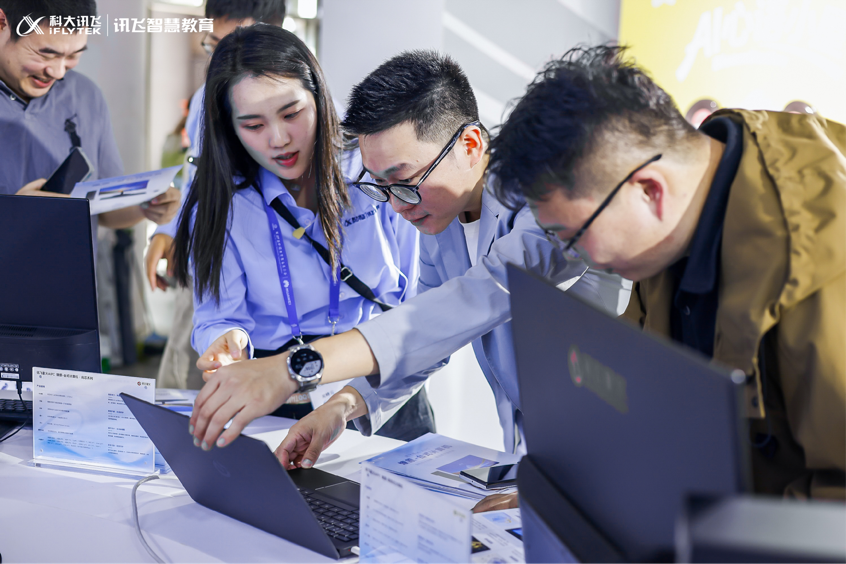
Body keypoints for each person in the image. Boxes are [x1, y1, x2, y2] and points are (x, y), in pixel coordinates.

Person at [187, 50, 623, 512]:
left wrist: (293, 368)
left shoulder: (546, 205)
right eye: (380, 186)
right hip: (539, 459)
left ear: (470, 145)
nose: (396, 205)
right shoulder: (442, 219)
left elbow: (469, 302)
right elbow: (427, 339)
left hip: (609, 457)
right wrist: (342, 406)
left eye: (405, 180)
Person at [488, 45, 846, 500]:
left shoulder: (818, 261)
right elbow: (639, 387)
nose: (575, 254)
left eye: (574, 236)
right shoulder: (682, 209)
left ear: (649, 191)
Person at [171, 25, 436, 441]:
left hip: (379, 378)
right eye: (253, 125)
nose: (279, 139)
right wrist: (227, 341)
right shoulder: (222, 201)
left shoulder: (372, 168)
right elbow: (218, 316)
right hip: (276, 393)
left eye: (292, 114)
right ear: (230, 128)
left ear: (319, 97)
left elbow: (419, 299)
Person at [145, 0, 288, 390]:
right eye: (214, 45)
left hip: (273, 273)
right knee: (192, 375)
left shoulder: (307, 106)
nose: (225, 61)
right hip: (214, 257)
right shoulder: (205, 99)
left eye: (237, 46)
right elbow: (197, 172)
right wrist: (172, 230)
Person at [0, 0, 180, 232]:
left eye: (73, 55)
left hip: (74, 256)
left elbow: (103, 210)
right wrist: (13, 215)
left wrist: (146, 206)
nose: (58, 72)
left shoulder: (86, 96)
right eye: (45, 55)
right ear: (2, 23)